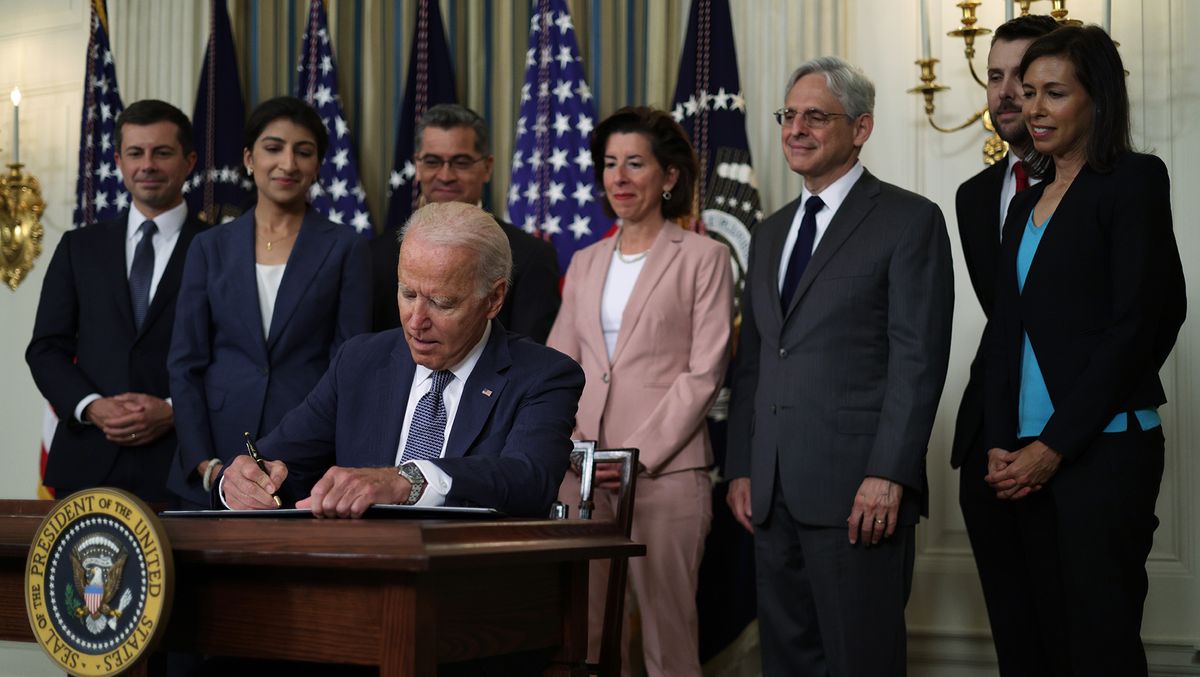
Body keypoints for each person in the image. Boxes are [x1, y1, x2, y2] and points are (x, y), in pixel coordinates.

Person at [725, 56, 954, 676]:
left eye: (815, 116)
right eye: (788, 115)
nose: (796, 128)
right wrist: (743, 467)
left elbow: (918, 360)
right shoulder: (769, 233)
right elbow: (754, 363)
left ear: (861, 128)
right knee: (788, 661)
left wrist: (889, 474)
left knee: (862, 661)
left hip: (859, 492)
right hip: (770, 493)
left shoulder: (909, 221)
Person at [983, 26, 1186, 676]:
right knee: (1043, 643)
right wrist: (1000, 439)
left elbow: (1140, 326)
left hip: (1106, 451)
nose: (1032, 107)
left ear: (1096, 100)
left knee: (1100, 645)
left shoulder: (1134, 181)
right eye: (1027, 91)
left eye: (1054, 93)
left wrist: (1055, 445)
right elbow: (1004, 332)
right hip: (1023, 456)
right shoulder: (1024, 204)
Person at [219, 201, 584, 519]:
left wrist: (406, 481)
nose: (416, 320)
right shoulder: (360, 361)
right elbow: (279, 464)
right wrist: (239, 482)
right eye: (408, 293)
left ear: (494, 299)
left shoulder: (543, 376)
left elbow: (527, 479)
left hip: (468, 584)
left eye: (442, 303)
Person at [547, 106, 732, 676]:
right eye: (609, 165)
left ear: (669, 176)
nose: (619, 178)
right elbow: (559, 367)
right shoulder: (584, 261)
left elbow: (703, 374)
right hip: (583, 476)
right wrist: (574, 448)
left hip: (666, 475)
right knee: (589, 638)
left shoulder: (705, 257)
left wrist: (633, 456)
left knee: (667, 637)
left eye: (634, 163)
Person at [167, 96, 371, 507]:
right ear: (248, 157)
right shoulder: (209, 247)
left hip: (307, 454)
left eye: (304, 151)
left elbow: (349, 363)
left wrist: (318, 445)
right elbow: (184, 362)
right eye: (273, 148)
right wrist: (203, 462)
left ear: (318, 165)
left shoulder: (347, 247)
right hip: (217, 454)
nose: (288, 164)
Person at [950, 15, 1060, 676]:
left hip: (1072, 444)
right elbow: (1005, 321)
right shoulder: (973, 197)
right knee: (1016, 640)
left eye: (1024, 76)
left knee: (1075, 635)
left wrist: (1053, 443)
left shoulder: (1105, 183)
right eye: (995, 76)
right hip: (987, 446)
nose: (1008, 93)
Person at [25, 100, 201, 505]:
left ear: (189, 161)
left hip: (182, 465)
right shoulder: (78, 247)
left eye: (162, 152)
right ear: (119, 162)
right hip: (87, 463)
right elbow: (46, 348)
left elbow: (231, 355)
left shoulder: (220, 249)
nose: (148, 165)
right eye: (136, 153)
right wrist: (92, 406)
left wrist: (175, 409)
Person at [371, 103, 560, 341]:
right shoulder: (374, 256)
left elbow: (531, 359)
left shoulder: (531, 256)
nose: (446, 176)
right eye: (432, 161)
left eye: (461, 163)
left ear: (487, 167)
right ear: (417, 166)